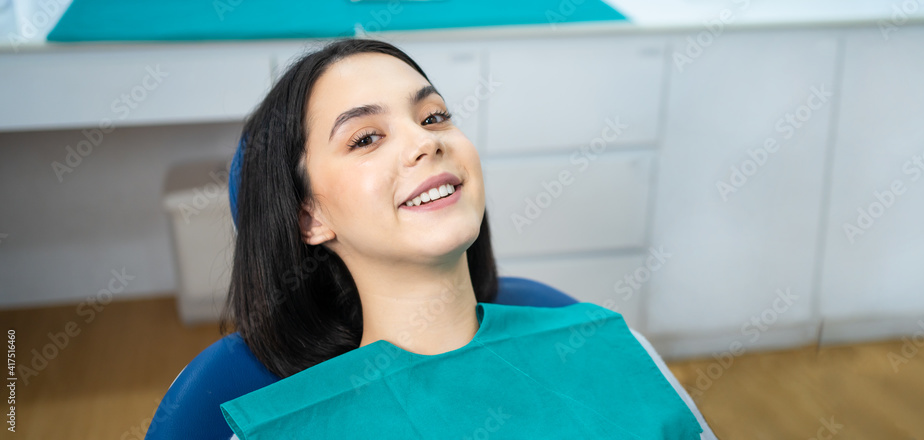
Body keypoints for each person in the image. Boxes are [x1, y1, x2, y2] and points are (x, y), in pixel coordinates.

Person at [220, 38, 716, 439]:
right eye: (366, 138)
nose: (425, 141)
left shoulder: (616, 347)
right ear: (309, 218)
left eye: (433, 116)